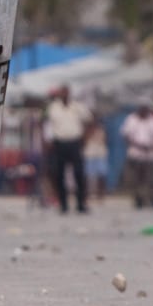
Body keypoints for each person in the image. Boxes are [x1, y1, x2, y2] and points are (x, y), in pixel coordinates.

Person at [43, 85, 93, 214]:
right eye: (62, 93)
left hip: (75, 143)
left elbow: (90, 120)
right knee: (59, 174)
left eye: (66, 92)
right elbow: (47, 124)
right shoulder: (53, 107)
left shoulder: (77, 107)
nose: (64, 95)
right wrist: (47, 141)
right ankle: (63, 204)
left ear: (69, 93)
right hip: (59, 144)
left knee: (79, 174)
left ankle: (81, 204)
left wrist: (85, 138)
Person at [120, 99, 153, 209]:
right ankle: (139, 199)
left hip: (150, 154)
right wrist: (139, 146)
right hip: (136, 153)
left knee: (152, 178)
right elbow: (126, 135)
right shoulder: (131, 119)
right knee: (137, 178)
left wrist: (151, 146)